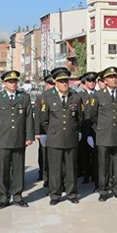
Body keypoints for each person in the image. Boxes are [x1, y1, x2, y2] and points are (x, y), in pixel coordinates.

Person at [38, 68, 84, 205]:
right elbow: (44, 119)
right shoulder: (47, 96)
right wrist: (51, 132)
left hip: (71, 138)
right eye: (61, 81)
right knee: (55, 169)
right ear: (55, 82)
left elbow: (80, 118)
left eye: (66, 81)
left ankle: (72, 193)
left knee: (71, 168)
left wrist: (77, 131)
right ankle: (55, 195)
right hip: (54, 139)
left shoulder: (75, 97)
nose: (65, 83)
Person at [0, 70, 34, 209]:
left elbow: (28, 118)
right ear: (4, 83)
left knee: (18, 169)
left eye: (15, 81)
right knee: (3, 171)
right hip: (3, 140)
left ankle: (17, 196)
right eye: (10, 81)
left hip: (19, 139)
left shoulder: (24, 97)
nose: (13, 84)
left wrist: (29, 137)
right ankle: (3, 198)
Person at [89, 67, 117, 202]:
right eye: (111, 77)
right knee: (104, 165)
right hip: (104, 135)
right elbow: (93, 115)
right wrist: (100, 129)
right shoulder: (98, 96)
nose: (114, 79)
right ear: (105, 81)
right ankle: (103, 190)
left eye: (115, 77)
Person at [78, 71, 100, 186]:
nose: (91, 83)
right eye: (89, 81)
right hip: (84, 129)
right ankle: (86, 175)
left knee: (96, 155)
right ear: (85, 83)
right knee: (84, 154)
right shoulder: (80, 96)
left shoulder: (99, 94)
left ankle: (96, 177)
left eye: (93, 81)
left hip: (96, 129)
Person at [34, 73, 55, 186]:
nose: (52, 86)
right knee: (44, 155)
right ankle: (43, 174)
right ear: (46, 85)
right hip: (44, 132)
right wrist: (37, 132)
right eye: (50, 84)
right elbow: (37, 115)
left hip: (55, 132)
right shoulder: (42, 97)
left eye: (54, 84)